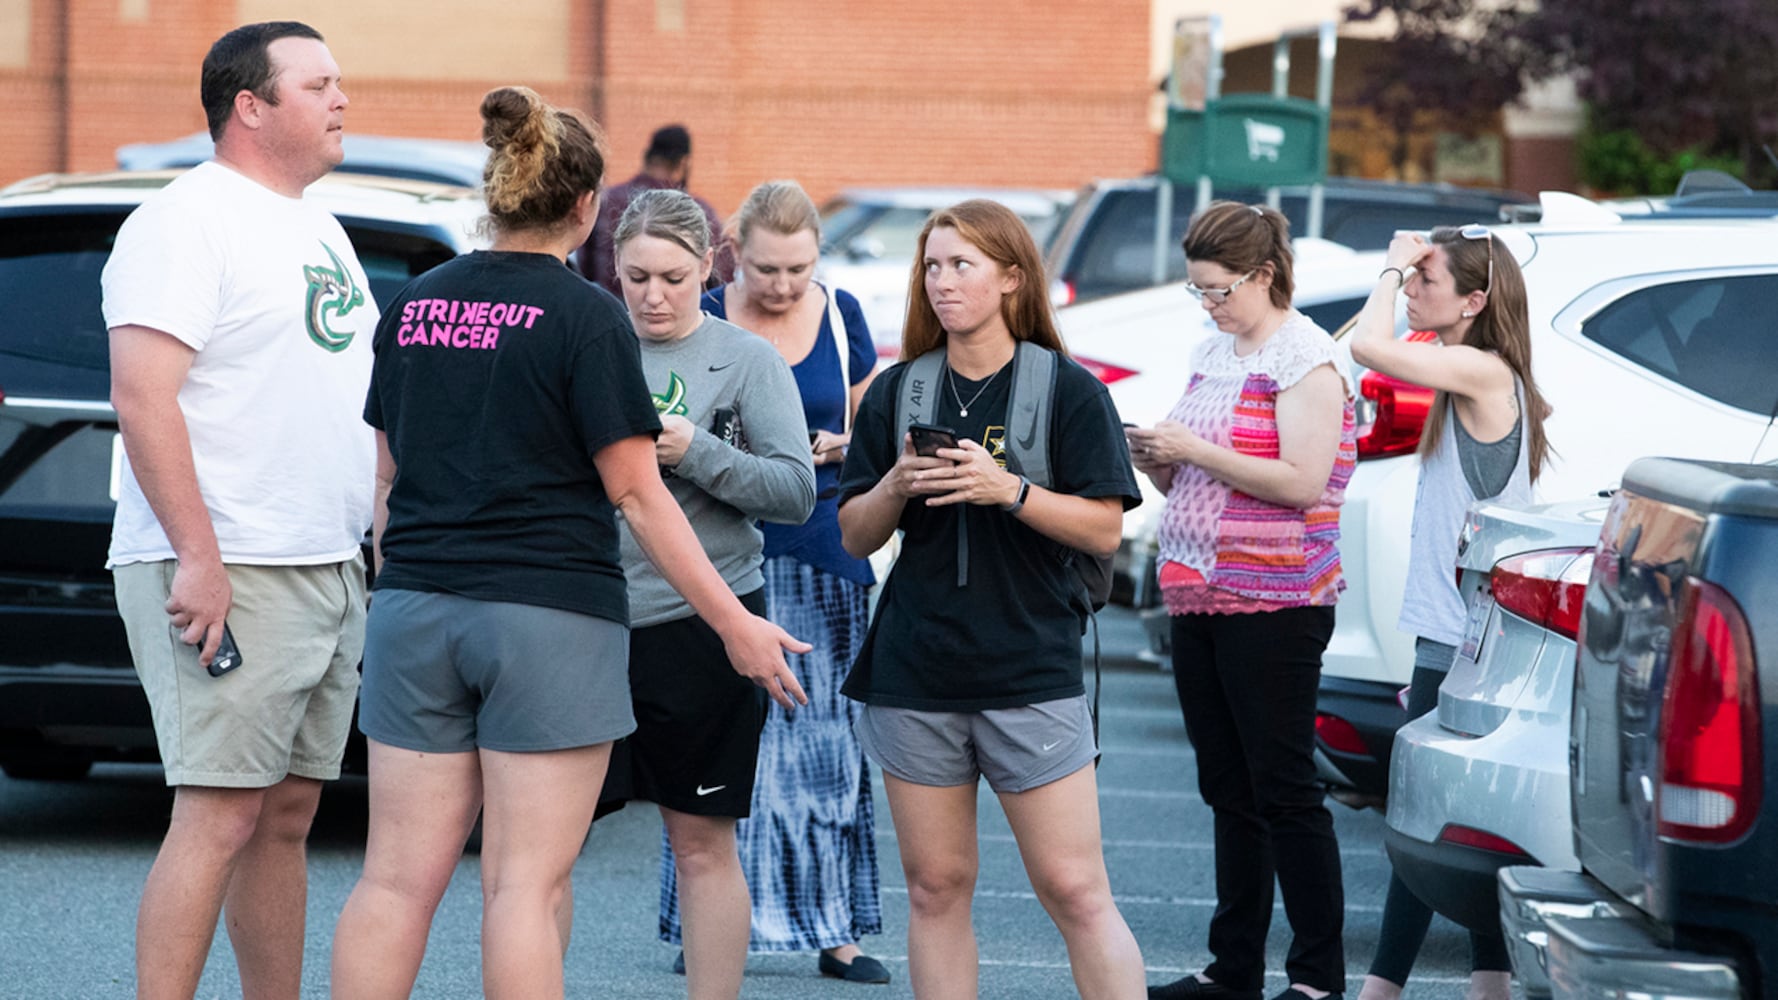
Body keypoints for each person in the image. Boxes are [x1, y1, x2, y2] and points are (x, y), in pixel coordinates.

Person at [327, 88, 808, 1000]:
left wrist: (400, 587)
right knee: (522, 886)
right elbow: (635, 492)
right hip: (548, 619)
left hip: (416, 610)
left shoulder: (416, 303)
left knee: (393, 880)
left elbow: (385, 481)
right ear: (588, 209)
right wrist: (735, 625)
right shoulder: (588, 318)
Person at [101, 22, 375, 1000]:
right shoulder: (186, 219)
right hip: (229, 567)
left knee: (289, 811)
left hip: (324, 565)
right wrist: (198, 556)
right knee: (216, 811)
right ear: (250, 105)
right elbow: (142, 393)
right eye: (319, 84)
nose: (343, 99)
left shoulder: (319, 225)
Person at [837, 199, 1147, 1000]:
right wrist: (898, 483)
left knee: (1076, 891)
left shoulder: (1069, 391)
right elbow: (854, 535)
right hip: (915, 669)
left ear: (1012, 278)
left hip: (1028, 669)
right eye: (931, 266)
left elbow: (1106, 530)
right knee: (935, 889)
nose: (941, 282)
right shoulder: (897, 390)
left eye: (961, 265)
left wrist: (1009, 489)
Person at [1128, 201, 1356, 1000]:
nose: (1210, 305)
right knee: (1227, 787)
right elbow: (1205, 466)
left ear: (1264, 275)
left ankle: (1319, 978)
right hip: (1199, 590)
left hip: (1278, 596)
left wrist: (1196, 449)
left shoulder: (1306, 357)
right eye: (1199, 291)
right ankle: (1234, 970)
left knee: (1285, 786)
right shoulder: (1213, 351)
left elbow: (1299, 480)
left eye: (1219, 289)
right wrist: (1163, 459)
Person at [606, 187, 818, 1000]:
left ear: (709, 267)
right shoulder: (591, 345)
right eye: (636, 278)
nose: (654, 297)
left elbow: (795, 491)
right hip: (587, 621)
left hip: (707, 620)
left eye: (673, 278)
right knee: (543, 853)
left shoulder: (747, 359)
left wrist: (696, 451)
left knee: (700, 844)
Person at [676, 178, 887, 983]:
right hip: (722, 550)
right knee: (720, 740)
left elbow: (870, 418)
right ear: (733, 254)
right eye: (767, 269)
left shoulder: (841, 314)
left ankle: (837, 932)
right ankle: (705, 926)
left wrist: (838, 447)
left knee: (831, 742)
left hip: (825, 541)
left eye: (799, 269)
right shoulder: (705, 312)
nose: (784, 285)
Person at [1347, 225, 1549, 1000]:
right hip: (1463, 635)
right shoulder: (1479, 372)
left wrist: (1391, 262)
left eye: (1429, 280)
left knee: (1422, 825)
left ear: (1476, 299)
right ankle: (1487, 984)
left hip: (1466, 641)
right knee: (1455, 824)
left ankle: (1381, 991)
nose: (1413, 291)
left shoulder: (1479, 368)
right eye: (1413, 278)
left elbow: (1369, 347)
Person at [577, 123, 734, 296]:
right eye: (637, 277)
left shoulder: (605, 201)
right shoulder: (697, 212)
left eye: (673, 278)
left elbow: (584, 268)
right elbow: (724, 279)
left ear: (648, 157)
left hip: (608, 311)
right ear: (683, 163)